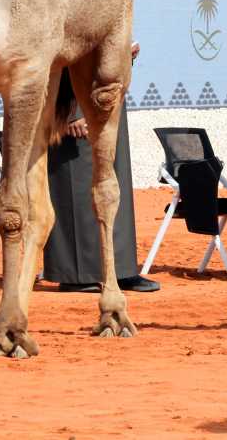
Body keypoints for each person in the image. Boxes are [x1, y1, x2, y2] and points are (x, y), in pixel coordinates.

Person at [44, 42, 159, 293]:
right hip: (74, 107)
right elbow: (57, 56)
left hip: (108, 103)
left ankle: (122, 271)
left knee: (114, 188)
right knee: (79, 190)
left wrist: (124, 57)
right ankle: (77, 275)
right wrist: (71, 111)